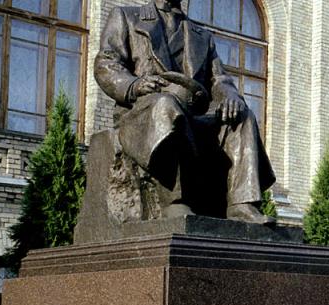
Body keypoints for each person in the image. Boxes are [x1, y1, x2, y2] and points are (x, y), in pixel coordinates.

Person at [94, 0, 275, 224]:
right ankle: (174, 201)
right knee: (166, 106)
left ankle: (241, 205)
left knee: (242, 116)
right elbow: (106, 63)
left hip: (193, 117)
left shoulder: (202, 35)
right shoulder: (127, 17)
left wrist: (230, 95)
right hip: (142, 112)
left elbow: (219, 79)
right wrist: (133, 85)